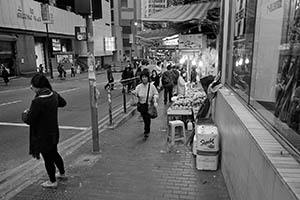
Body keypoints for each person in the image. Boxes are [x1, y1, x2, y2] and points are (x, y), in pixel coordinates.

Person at [22, 73, 67, 188]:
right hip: (53, 132)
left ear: (38, 86)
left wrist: (25, 114)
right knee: (55, 153)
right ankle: (62, 173)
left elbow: (30, 119)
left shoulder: (37, 102)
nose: (31, 87)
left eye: (32, 85)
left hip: (42, 135)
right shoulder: (53, 95)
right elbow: (63, 103)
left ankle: (52, 181)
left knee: (48, 158)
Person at [132, 69, 158, 139]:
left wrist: (155, 100)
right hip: (141, 106)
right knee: (144, 118)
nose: (144, 78)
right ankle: (146, 129)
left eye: (145, 77)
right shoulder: (138, 87)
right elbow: (136, 94)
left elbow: (156, 93)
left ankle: (146, 131)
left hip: (148, 105)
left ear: (148, 78)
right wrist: (134, 93)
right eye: (143, 77)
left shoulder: (151, 86)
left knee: (147, 119)